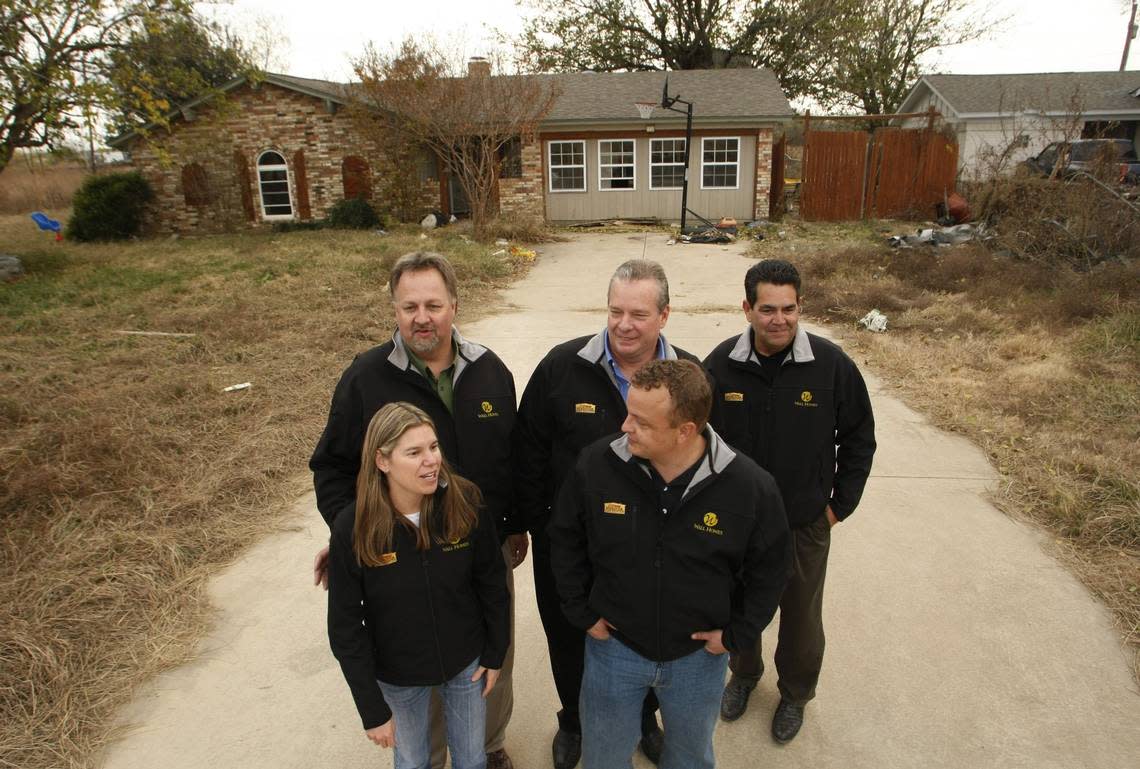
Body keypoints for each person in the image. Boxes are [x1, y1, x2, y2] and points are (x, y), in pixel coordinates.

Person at [311, 251, 525, 769]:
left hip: (481, 546)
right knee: (415, 663)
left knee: (486, 658)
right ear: (395, 309)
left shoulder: (490, 371)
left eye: (433, 304)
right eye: (409, 306)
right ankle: (429, 757)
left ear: (454, 305)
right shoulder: (365, 378)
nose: (422, 317)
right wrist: (357, 531)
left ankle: (488, 747)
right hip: (400, 554)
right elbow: (332, 467)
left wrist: (514, 524)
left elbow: (513, 456)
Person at [548, 359, 791, 769]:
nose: (625, 426)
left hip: (697, 659)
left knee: (690, 760)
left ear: (685, 431)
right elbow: (564, 538)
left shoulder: (750, 488)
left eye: (641, 422)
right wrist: (581, 611)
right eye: (628, 413)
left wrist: (737, 634)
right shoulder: (597, 465)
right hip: (615, 651)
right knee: (603, 758)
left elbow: (772, 568)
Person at [513, 259, 701, 768]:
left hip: (648, 546)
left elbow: (703, 460)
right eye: (616, 310)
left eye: (639, 313)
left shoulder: (689, 377)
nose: (624, 324)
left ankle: (643, 718)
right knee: (568, 634)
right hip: (569, 542)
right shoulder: (561, 366)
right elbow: (527, 450)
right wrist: (536, 524)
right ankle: (573, 721)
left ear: (664, 315)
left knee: (644, 637)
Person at [704, 258, 876, 744]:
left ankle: (796, 693)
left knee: (801, 619)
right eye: (766, 309)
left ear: (801, 306)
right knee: (739, 606)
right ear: (746, 309)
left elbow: (860, 438)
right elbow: (698, 435)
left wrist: (837, 507)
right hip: (738, 524)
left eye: (789, 309)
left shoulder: (832, 365)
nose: (778, 320)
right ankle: (743, 673)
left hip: (803, 523)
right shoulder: (721, 364)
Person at [327, 402, 510, 769]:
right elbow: (345, 627)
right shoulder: (354, 527)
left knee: (472, 759)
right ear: (382, 461)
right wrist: (371, 708)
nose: (431, 460)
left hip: (466, 664)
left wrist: (495, 652)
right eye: (414, 452)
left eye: (434, 447)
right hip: (398, 674)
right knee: (412, 762)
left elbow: (491, 582)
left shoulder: (466, 501)